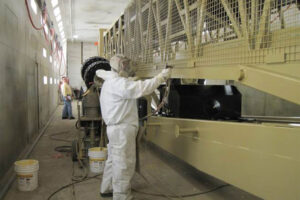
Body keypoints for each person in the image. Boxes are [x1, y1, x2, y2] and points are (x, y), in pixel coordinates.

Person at [96, 54, 171, 200]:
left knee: (113, 160)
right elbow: (142, 88)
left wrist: (130, 80)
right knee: (123, 164)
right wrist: (161, 77)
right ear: (118, 67)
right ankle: (122, 196)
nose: (127, 67)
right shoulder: (118, 84)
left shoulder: (111, 81)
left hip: (116, 129)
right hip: (121, 130)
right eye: (124, 65)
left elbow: (127, 86)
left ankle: (107, 188)